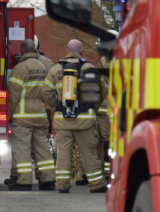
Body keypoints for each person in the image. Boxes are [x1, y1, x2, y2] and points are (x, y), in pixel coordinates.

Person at [42, 40, 106, 193]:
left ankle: (62, 185)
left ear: (67, 50)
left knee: (63, 152)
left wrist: (56, 108)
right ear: (81, 51)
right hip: (85, 120)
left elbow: (46, 91)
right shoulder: (89, 68)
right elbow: (102, 91)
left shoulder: (56, 69)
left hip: (63, 120)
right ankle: (96, 184)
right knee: (88, 152)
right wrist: (93, 108)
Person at [6, 39, 56, 191]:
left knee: (22, 149)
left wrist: (9, 114)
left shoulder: (20, 68)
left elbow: (14, 94)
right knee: (43, 149)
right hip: (40, 114)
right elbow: (48, 91)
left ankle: (24, 182)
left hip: (23, 116)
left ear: (22, 50)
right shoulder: (42, 67)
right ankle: (48, 180)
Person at [96, 56, 110, 178]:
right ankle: (108, 171)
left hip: (99, 109)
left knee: (97, 141)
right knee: (107, 140)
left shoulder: (103, 64)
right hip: (108, 110)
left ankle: (100, 171)